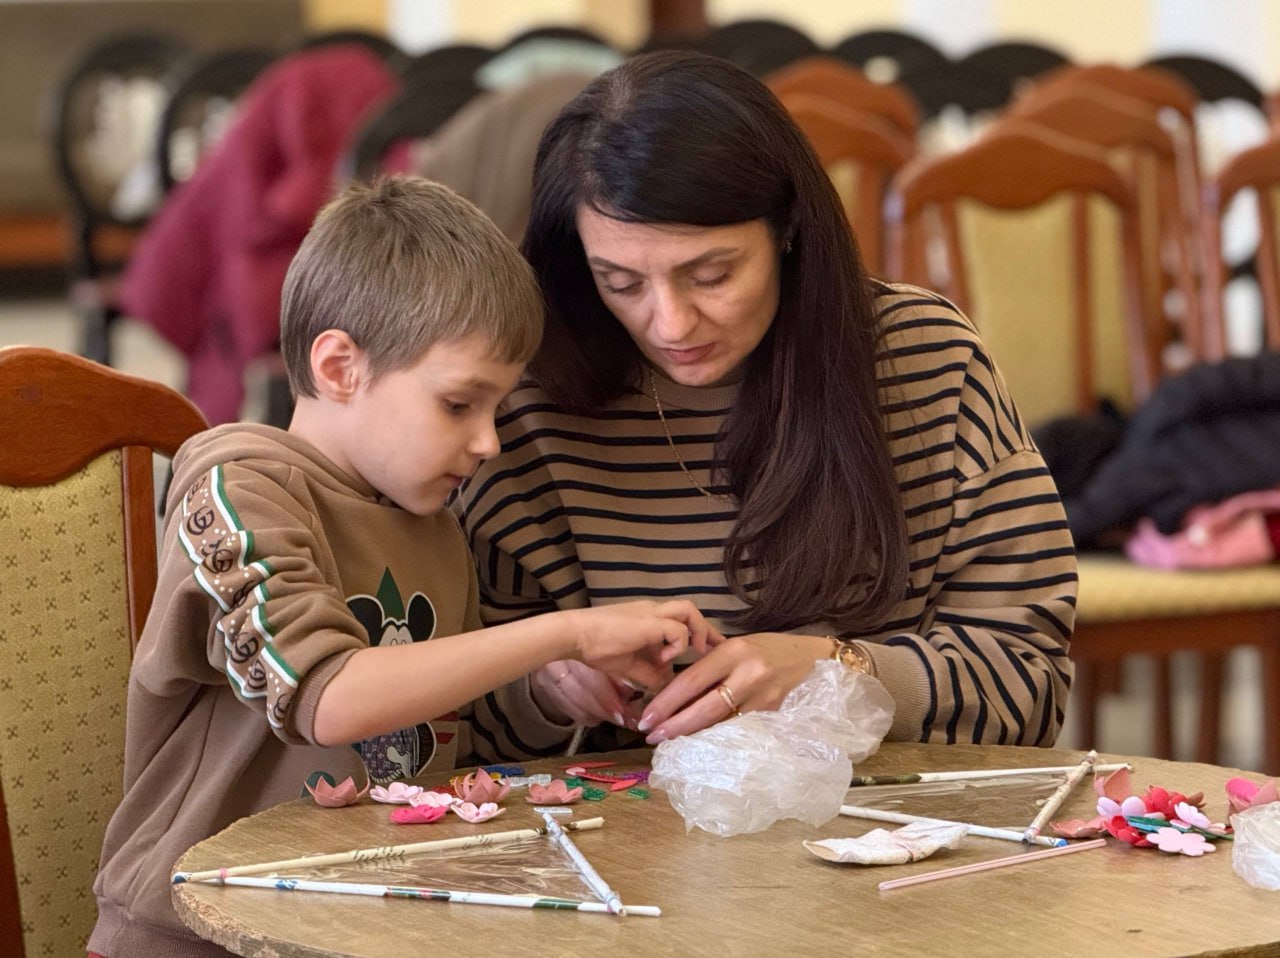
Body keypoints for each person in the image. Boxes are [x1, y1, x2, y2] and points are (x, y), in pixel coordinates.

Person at [88, 177, 716, 957]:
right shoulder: (237, 485)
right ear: (341, 367)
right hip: (194, 934)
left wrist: (553, 687)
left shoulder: (435, 527)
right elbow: (328, 699)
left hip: (365, 928)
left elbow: (453, 728)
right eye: (460, 404)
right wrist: (564, 633)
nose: (488, 441)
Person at [453, 51, 1077, 759]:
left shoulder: (928, 365)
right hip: (618, 841)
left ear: (787, 229)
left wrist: (841, 675)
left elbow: (1030, 687)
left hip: (887, 837)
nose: (671, 324)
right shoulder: (524, 399)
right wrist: (542, 687)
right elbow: (449, 725)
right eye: (620, 281)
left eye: (711, 274)